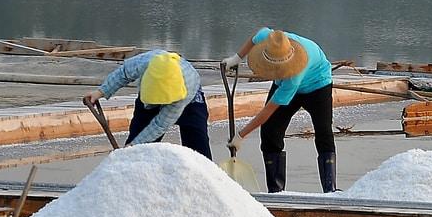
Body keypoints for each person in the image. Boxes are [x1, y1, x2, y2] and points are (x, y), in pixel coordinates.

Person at [222, 28, 336, 193]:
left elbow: (267, 111)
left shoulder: (292, 79)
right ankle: (276, 190)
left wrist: (240, 135)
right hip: (286, 80)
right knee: (270, 131)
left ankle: (330, 188)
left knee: (323, 131)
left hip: (318, 84)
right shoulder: (271, 39)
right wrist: (236, 58)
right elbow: (255, 37)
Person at [84, 50, 210, 158]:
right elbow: (123, 74)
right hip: (150, 94)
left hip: (189, 102)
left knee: (197, 148)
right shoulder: (145, 62)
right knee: (138, 146)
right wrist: (100, 92)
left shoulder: (185, 92)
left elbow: (160, 124)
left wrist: (134, 145)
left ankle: (202, 176)